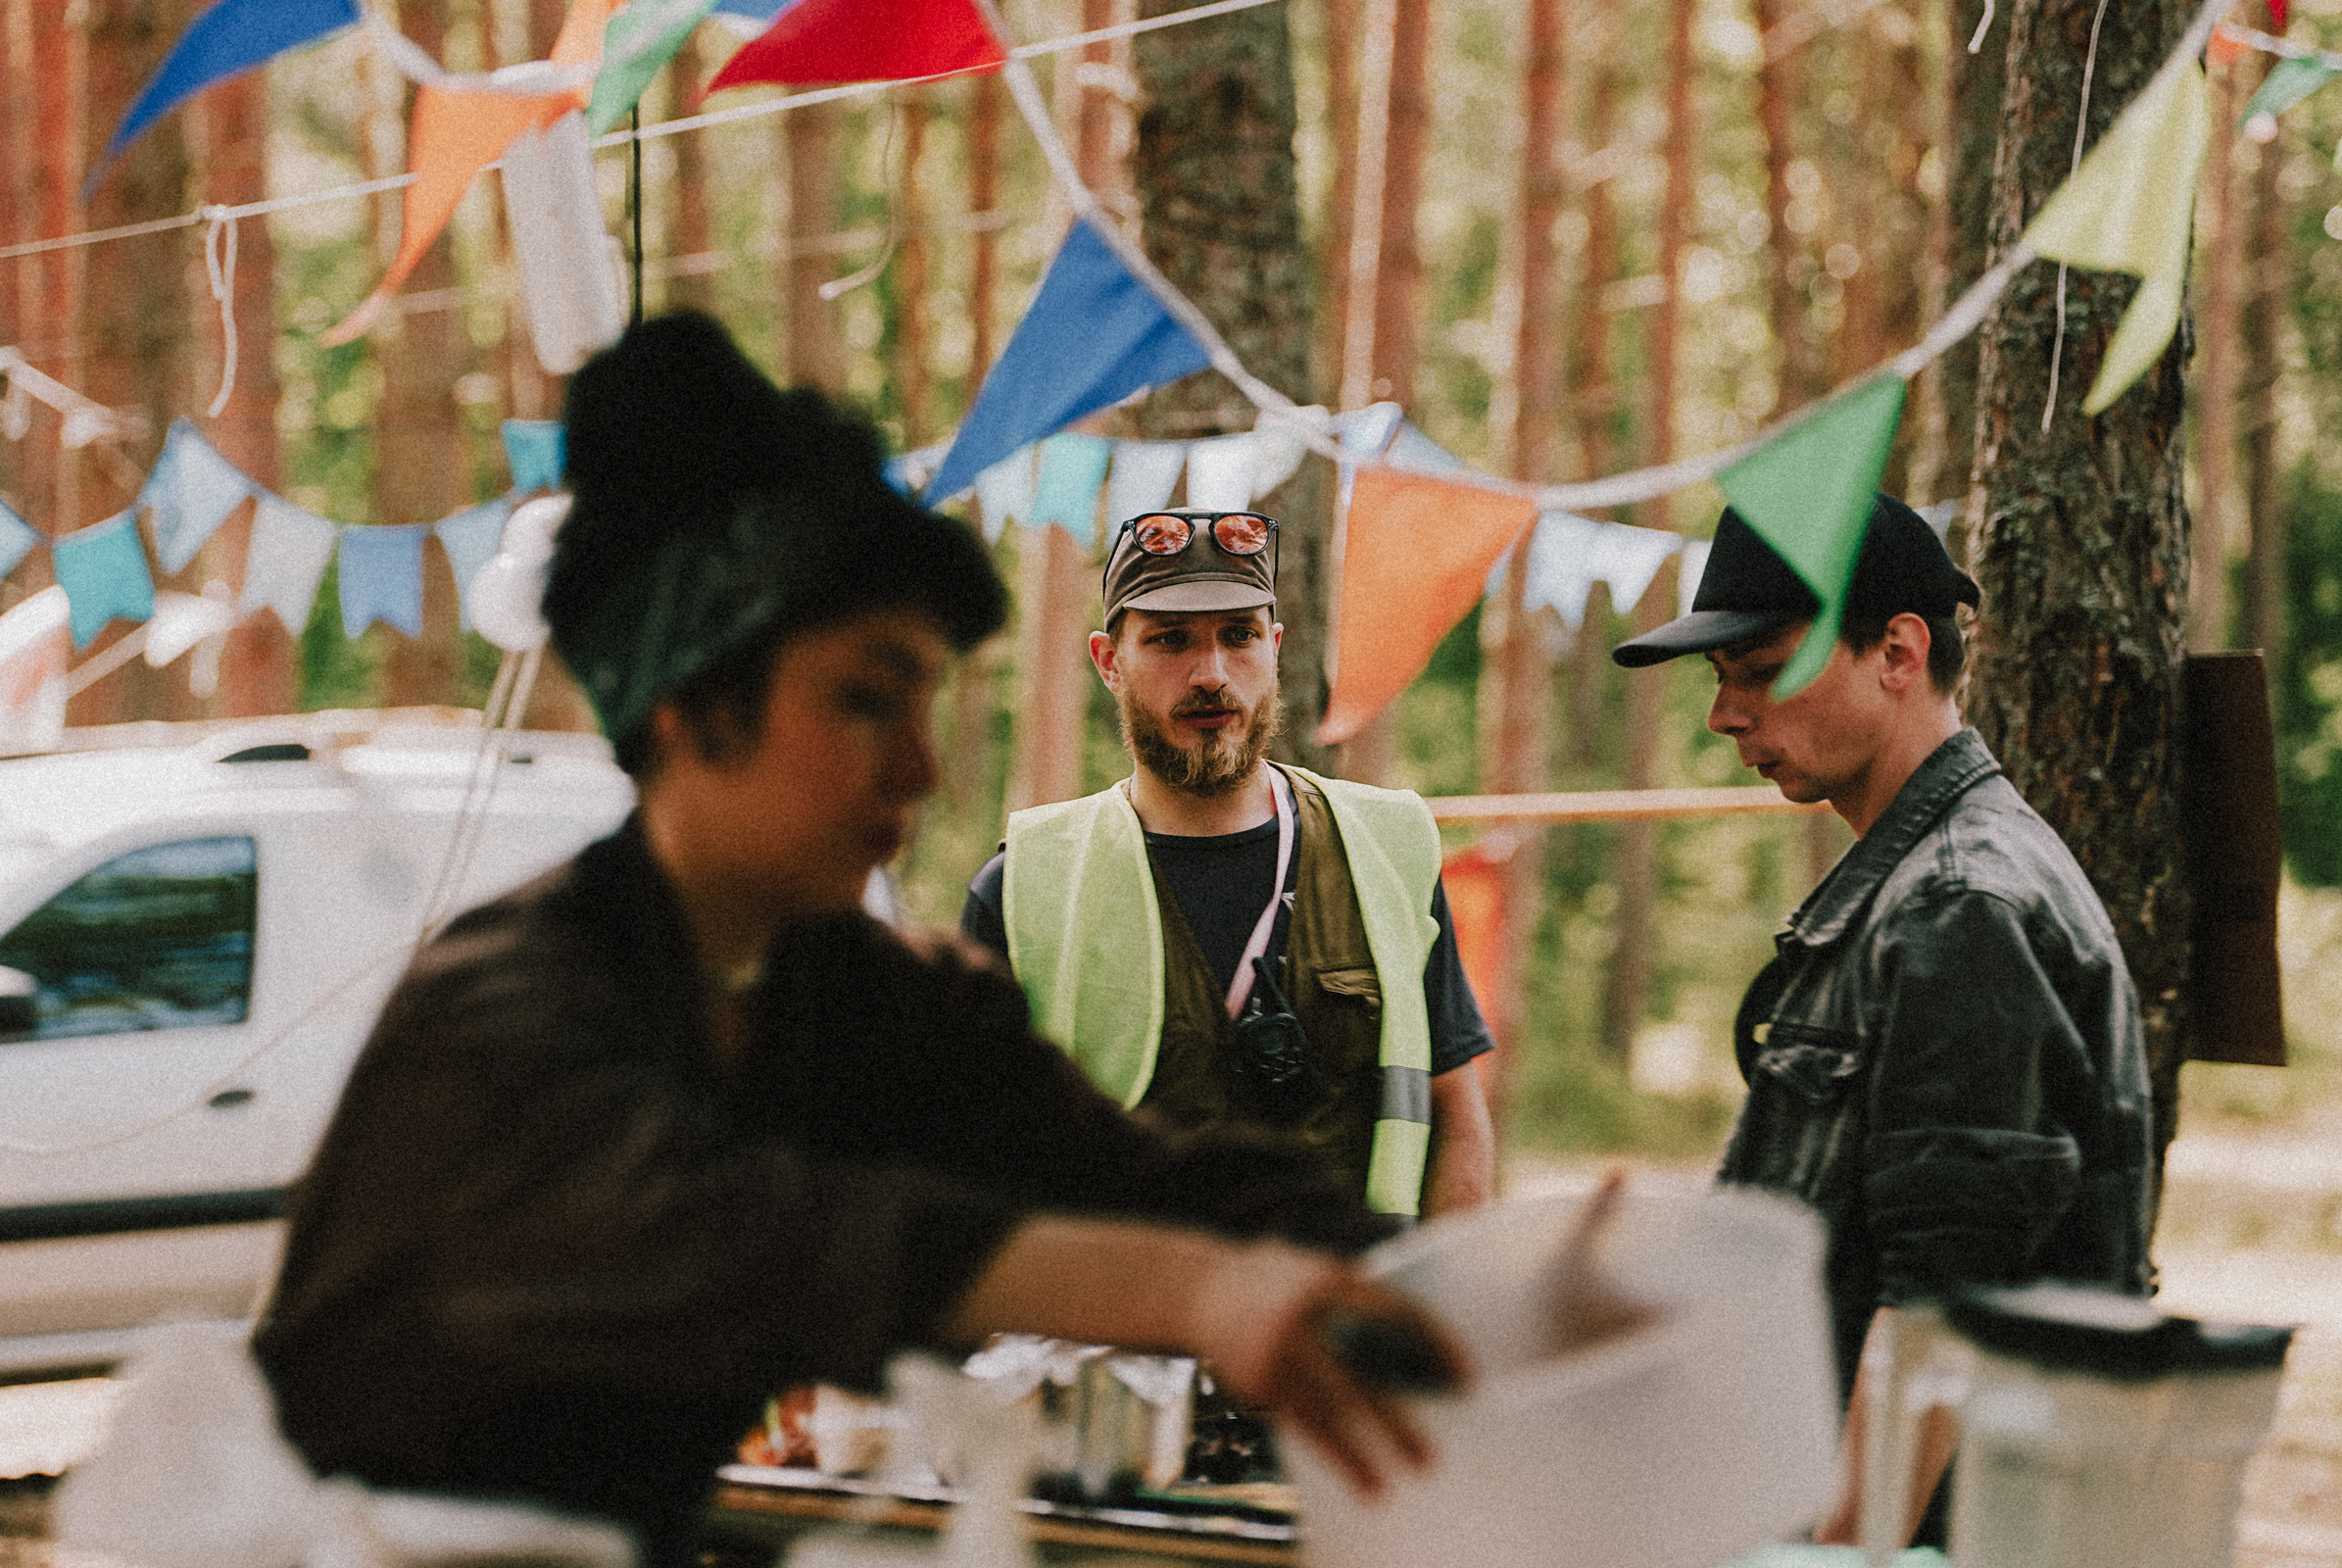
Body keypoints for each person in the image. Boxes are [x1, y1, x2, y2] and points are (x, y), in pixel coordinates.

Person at [253, 315, 1464, 1568]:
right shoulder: (498, 1022)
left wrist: (1466, 1287)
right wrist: (1200, 1294)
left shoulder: (848, 994)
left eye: (926, 703)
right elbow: (770, 1236)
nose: (923, 766)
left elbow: (1134, 1174)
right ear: (695, 705)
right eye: (864, 698)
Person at [1612, 494, 2155, 1544]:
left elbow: (1938, 1327)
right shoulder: (1915, 885)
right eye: (1719, 681)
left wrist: (1837, 1563)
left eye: (1759, 669)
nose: (1725, 716)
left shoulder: (1961, 904)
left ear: (1898, 652)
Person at [961, 509, 1497, 1221]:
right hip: (1118, 1326)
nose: (1211, 675)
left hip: (1347, 1317)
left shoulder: (1390, 846)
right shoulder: (1024, 888)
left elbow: (1454, 1108)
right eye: (1170, 641)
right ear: (1109, 660)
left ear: (1275, 648)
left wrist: (1432, 1306)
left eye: (1239, 636)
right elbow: (969, 1165)